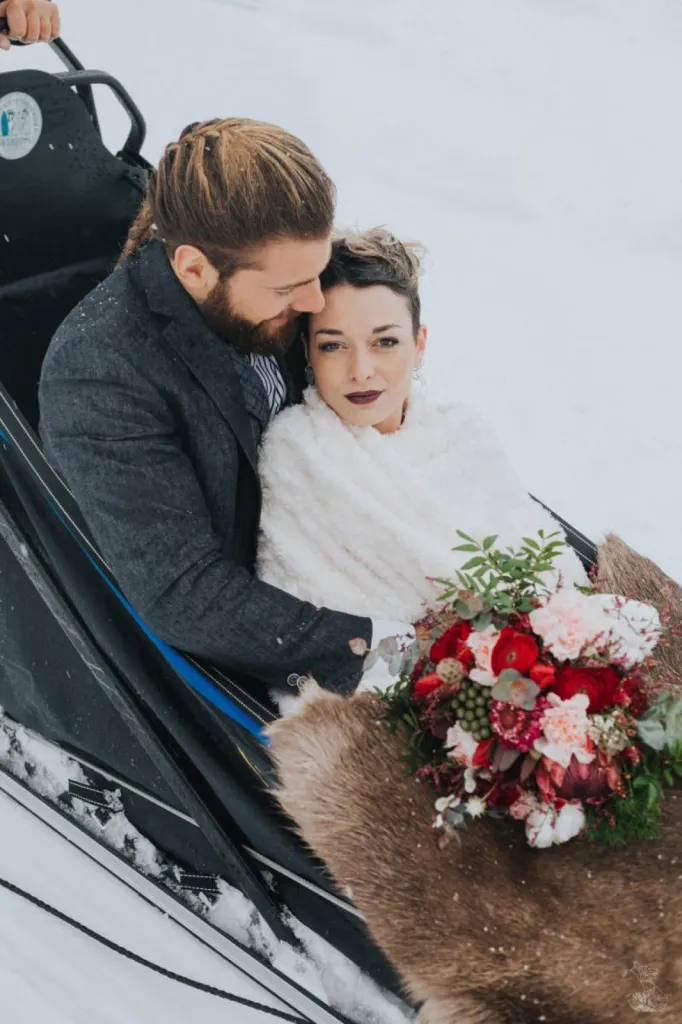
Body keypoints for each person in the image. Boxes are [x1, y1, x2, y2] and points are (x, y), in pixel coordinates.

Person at [39, 118, 411, 696]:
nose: (316, 303)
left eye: (316, 273)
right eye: (290, 291)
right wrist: (380, 650)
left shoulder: (284, 273)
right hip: (265, 612)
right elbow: (184, 592)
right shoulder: (101, 372)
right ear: (194, 269)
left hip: (345, 524)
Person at [257, 228, 587, 629]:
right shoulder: (298, 455)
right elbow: (310, 609)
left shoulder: (464, 437)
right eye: (333, 345)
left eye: (385, 342)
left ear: (420, 343)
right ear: (308, 351)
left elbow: (549, 562)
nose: (361, 371)